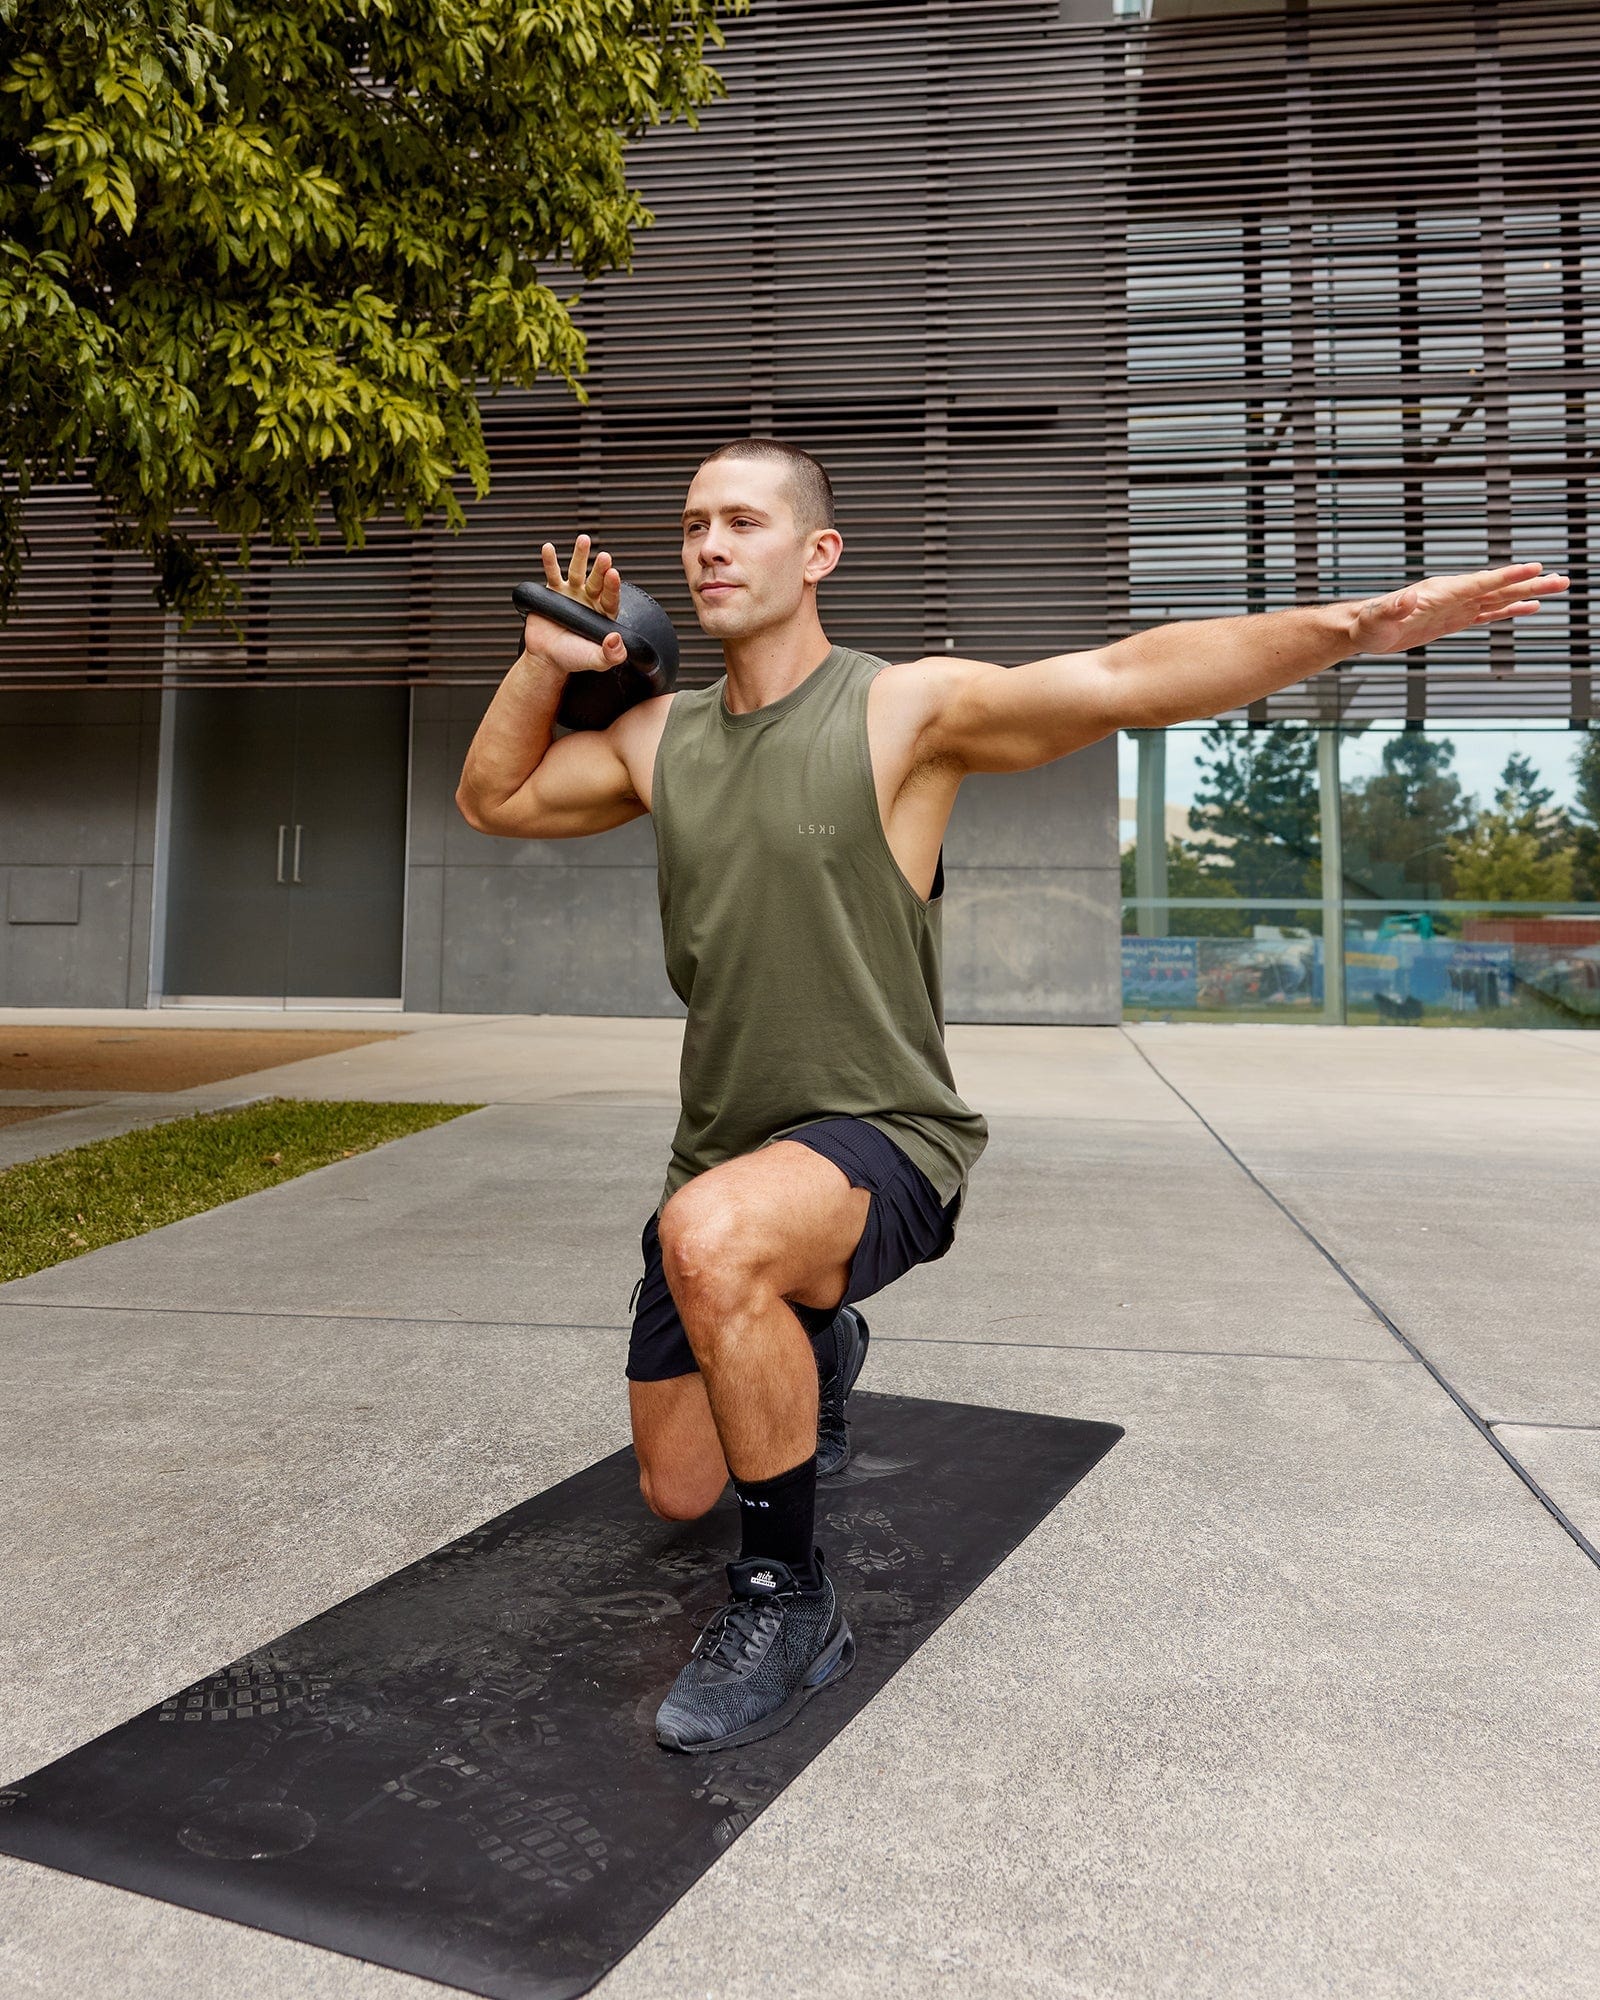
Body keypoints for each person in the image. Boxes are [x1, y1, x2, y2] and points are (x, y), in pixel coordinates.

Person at [455, 437, 1566, 1754]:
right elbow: (494, 799)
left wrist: (1352, 626)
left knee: (715, 1245)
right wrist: (549, 658)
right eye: (693, 523)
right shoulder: (658, 739)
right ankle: (818, 1338)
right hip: (725, 1157)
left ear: (816, 554)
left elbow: (1118, 679)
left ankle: (790, 1605)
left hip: (884, 1138)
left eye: (743, 521)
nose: (708, 545)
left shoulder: (905, 714)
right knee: (678, 1482)